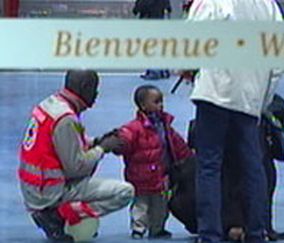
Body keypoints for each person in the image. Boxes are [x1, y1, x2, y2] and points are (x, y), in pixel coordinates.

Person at [187, 1, 284, 242]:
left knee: (209, 166)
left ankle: (210, 234)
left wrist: (188, 69)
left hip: (214, 94)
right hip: (250, 99)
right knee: (253, 167)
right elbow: (278, 61)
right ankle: (256, 232)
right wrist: (263, 100)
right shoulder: (269, 6)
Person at [18, 70, 135, 242]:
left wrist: (96, 141)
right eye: (94, 88)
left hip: (35, 186)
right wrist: (102, 149)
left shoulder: (52, 104)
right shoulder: (66, 119)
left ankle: (59, 214)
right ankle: (57, 215)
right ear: (84, 87)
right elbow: (76, 169)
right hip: (49, 192)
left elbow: (69, 142)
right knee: (125, 192)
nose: (96, 94)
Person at [169, 94, 284, 241]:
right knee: (254, 169)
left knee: (213, 170)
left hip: (215, 100)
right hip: (250, 104)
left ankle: (214, 231)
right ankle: (254, 227)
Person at [113, 85, 193, 239]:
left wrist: (188, 156)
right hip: (140, 176)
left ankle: (157, 228)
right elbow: (125, 139)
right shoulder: (134, 128)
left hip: (161, 175)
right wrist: (118, 143)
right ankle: (139, 227)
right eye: (156, 102)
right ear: (143, 106)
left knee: (161, 206)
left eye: (162, 102)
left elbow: (176, 143)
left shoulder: (165, 126)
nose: (161, 105)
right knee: (141, 204)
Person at [133, 0, 172, 80]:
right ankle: (163, 71)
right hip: (160, 15)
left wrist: (137, 9)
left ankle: (155, 71)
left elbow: (144, 4)